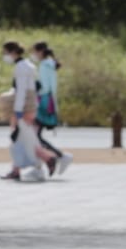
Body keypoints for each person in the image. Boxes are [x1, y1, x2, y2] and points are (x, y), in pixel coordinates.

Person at [1, 41, 55, 182]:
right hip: (31, 105)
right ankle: (19, 169)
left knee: (21, 139)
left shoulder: (21, 68)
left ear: (13, 52)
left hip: (24, 107)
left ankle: (45, 160)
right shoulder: (28, 65)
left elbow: (22, 90)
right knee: (24, 138)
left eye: (5, 53)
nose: (4, 56)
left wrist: (18, 109)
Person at [31, 41, 72, 177]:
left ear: (41, 52)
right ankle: (42, 164)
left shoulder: (44, 66)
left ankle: (56, 157)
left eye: (35, 52)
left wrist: (34, 90)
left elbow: (45, 87)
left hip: (43, 102)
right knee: (34, 136)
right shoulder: (50, 65)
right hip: (48, 101)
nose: (33, 55)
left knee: (33, 136)